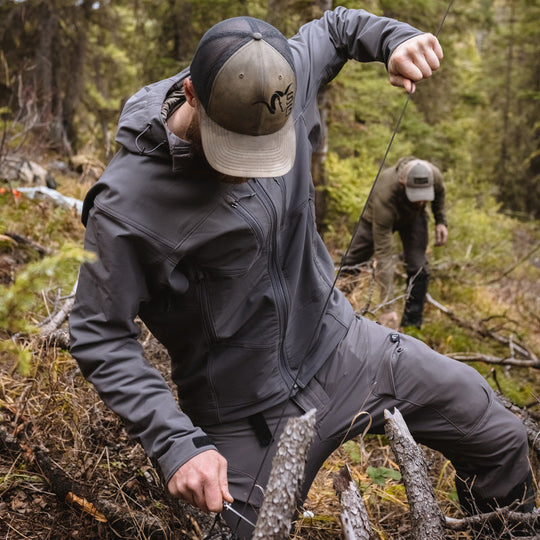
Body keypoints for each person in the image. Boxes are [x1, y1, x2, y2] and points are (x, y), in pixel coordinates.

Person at [69, 9, 535, 538]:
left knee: (496, 432)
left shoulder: (280, 74)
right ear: (193, 94)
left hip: (346, 347)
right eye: (234, 148)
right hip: (246, 414)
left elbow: (335, 29)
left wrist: (394, 40)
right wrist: (176, 444)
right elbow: (98, 333)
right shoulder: (127, 206)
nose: (248, 167)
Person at [341, 156, 448, 329]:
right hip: (374, 219)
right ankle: (335, 304)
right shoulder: (385, 192)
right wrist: (388, 307)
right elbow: (384, 255)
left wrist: (441, 221)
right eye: (417, 196)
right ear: (402, 185)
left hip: (414, 219)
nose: (421, 202)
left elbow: (440, 194)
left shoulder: (433, 176)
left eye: (424, 197)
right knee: (353, 261)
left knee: (418, 267)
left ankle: (412, 324)